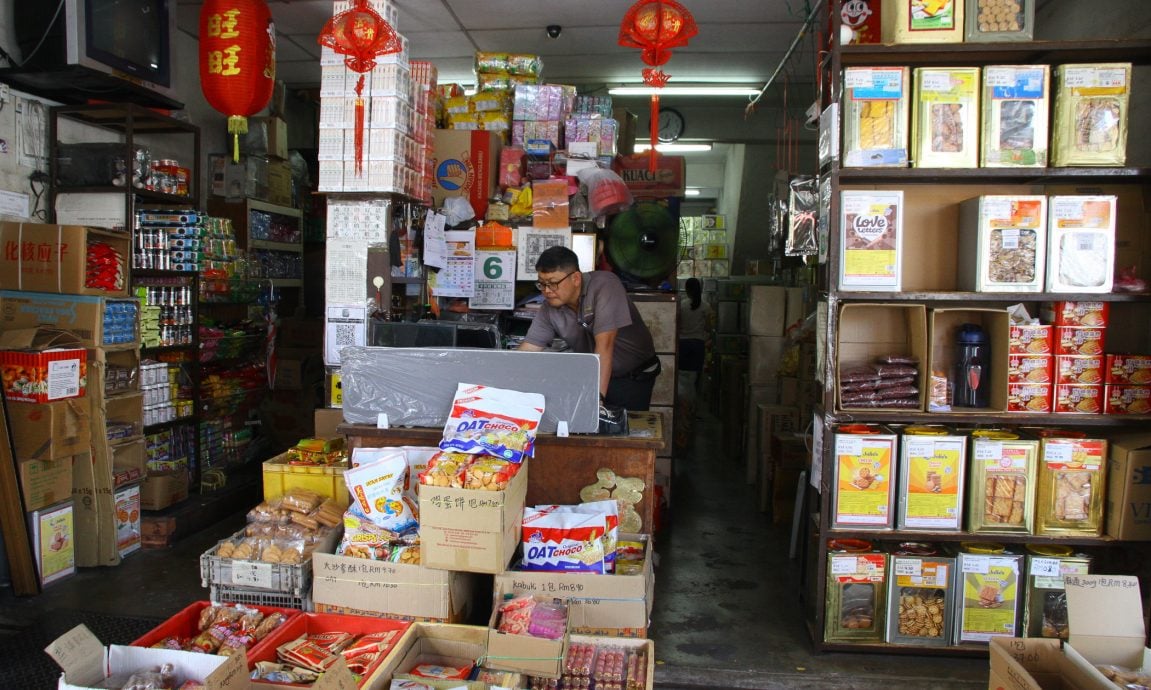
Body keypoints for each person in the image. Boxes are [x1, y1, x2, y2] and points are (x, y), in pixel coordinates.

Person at [518, 246, 660, 411]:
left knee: (623, 431)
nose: (547, 291)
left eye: (553, 283)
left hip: (633, 377)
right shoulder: (549, 308)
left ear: (576, 278)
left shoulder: (606, 286)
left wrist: (597, 401)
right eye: (542, 284)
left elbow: (605, 346)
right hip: (594, 376)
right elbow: (527, 350)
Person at [677, 278, 711, 376]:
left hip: (683, 343)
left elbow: (677, 325)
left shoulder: (681, 305)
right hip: (698, 344)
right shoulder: (706, 306)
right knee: (695, 377)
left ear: (687, 289)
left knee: (682, 375)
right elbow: (708, 327)